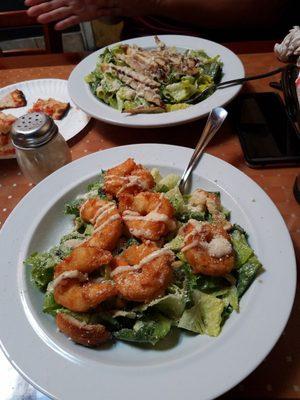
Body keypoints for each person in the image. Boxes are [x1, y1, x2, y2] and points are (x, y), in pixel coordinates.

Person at [25, 0, 293, 41]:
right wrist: (102, 7)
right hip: (138, 50)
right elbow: (111, 18)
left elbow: (266, 11)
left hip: (237, 50)